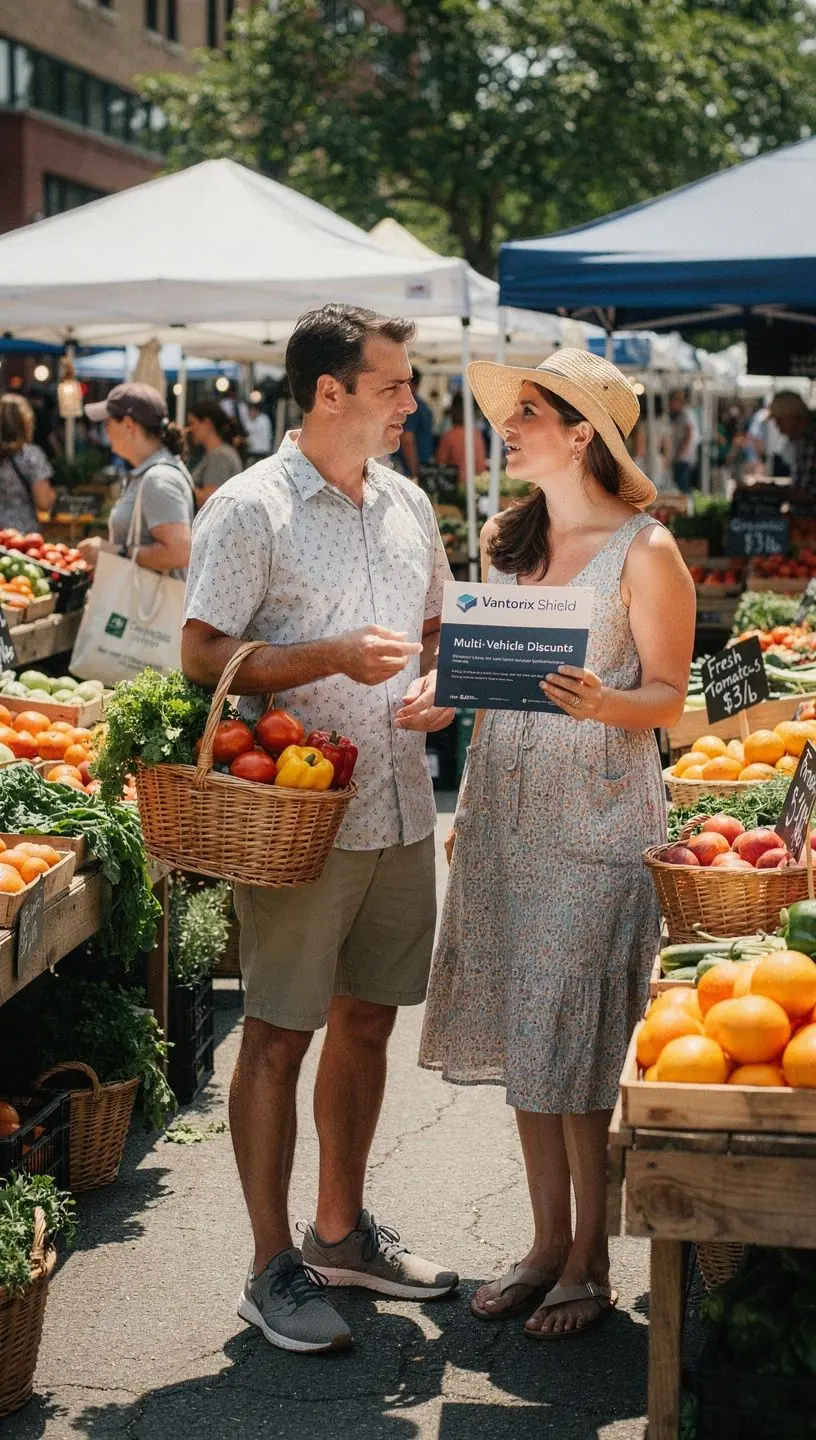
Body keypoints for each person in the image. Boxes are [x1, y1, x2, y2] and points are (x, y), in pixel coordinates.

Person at [181, 303, 459, 1356]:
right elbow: (202, 655)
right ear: (329, 391)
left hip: (397, 800)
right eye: (393, 383)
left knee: (371, 1020)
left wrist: (440, 683)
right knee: (279, 1034)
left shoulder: (405, 501)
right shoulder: (249, 508)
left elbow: (434, 626)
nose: (410, 400)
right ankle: (268, 1268)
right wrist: (328, 655)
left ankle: (339, 1236)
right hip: (297, 817)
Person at [419, 349, 695, 1340]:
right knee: (529, 1038)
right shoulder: (507, 539)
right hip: (506, 813)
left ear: (584, 433)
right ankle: (543, 1243)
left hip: (600, 817)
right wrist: (441, 712)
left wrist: (608, 700)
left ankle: (588, 1260)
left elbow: (672, 698)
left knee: (577, 1043)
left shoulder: (647, 551)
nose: (510, 425)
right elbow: (486, 684)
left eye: (530, 412)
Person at [78, 383, 194, 579]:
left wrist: (114, 552)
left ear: (129, 425)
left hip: (153, 607)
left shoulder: (158, 478)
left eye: (108, 424)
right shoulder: (151, 473)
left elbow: (179, 553)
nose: (106, 432)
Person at [0, 394, 56, 532]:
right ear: (25, 422)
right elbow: (43, 503)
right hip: (21, 535)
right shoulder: (30, 455)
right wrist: (52, 495)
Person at [187, 401, 243, 505]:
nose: (189, 430)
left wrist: (178, 487)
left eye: (192, 423)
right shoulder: (218, 453)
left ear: (207, 423)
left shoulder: (220, 455)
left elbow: (209, 499)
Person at [435, 393, 487, 485]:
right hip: (473, 486)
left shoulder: (449, 436)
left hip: (453, 486)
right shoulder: (476, 435)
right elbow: (480, 467)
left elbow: (440, 464)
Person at [769, 392, 816, 493]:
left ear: (796, 417)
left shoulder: (811, 442)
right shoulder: (801, 441)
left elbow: (808, 493)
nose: (779, 428)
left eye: (780, 420)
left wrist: (769, 491)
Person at [397, 369, 435, 477]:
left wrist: (415, 472)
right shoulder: (420, 406)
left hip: (411, 469)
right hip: (416, 468)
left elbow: (407, 440)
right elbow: (407, 440)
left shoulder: (411, 407)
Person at [668, 389, 700, 493]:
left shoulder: (686, 413)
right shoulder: (685, 413)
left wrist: (680, 453)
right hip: (685, 456)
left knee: (682, 486)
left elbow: (689, 433)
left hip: (684, 457)